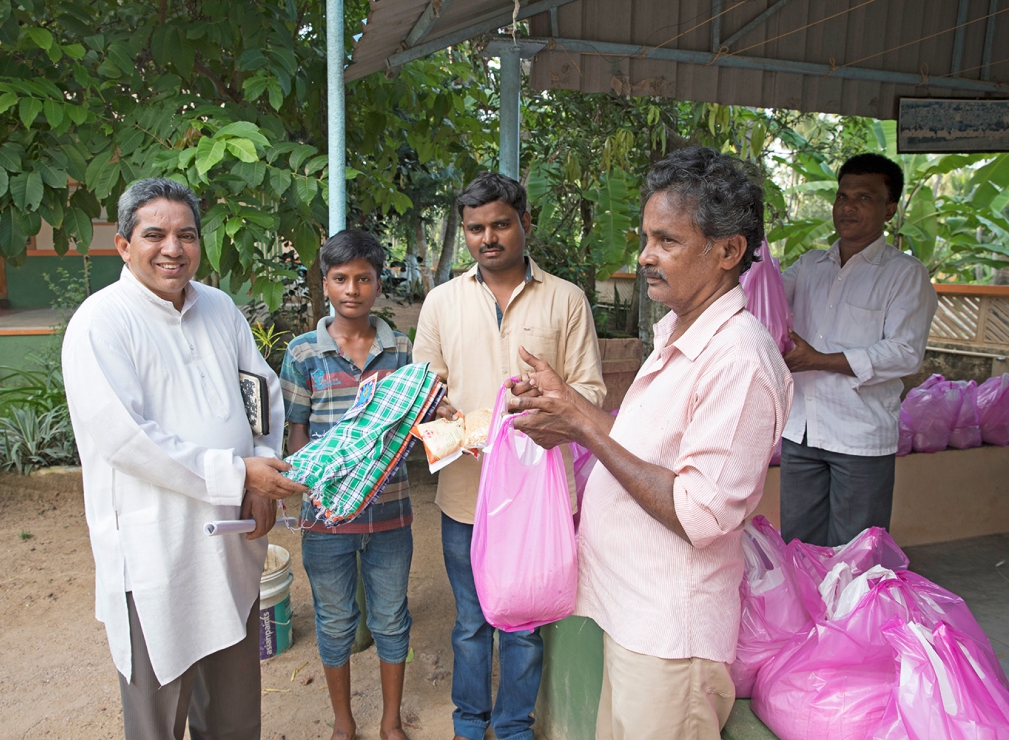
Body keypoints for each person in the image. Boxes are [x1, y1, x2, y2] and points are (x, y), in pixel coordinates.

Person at [508, 147, 792, 739]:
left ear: (728, 251)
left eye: (667, 241)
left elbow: (700, 513)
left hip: (671, 636)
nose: (644, 256)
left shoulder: (739, 360)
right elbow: (640, 446)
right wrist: (569, 405)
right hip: (635, 618)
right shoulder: (679, 332)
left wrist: (580, 424)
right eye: (645, 237)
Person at [62, 178, 304, 740]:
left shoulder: (219, 308)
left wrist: (259, 475)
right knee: (157, 721)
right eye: (155, 234)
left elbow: (258, 395)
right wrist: (237, 473)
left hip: (229, 542)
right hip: (157, 554)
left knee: (234, 714)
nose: (173, 248)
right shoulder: (101, 322)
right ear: (123, 246)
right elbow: (127, 440)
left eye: (186, 235)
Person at [412, 172, 606, 740]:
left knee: (523, 623)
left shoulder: (566, 299)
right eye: (475, 228)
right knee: (471, 622)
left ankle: (515, 725)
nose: (487, 237)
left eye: (500, 224)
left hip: (538, 500)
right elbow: (424, 389)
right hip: (465, 495)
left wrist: (545, 405)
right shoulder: (442, 301)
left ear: (526, 223)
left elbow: (591, 394)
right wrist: (442, 413)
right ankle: (470, 724)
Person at [279, 230, 414, 740]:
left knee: (391, 618)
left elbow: (410, 420)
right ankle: (343, 721)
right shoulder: (304, 352)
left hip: (390, 513)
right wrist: (307, 481)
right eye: (340, 278)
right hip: (325, 519)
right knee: (334, 621)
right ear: (325, 283)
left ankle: (391, 721)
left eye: (363, 278)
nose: (352, 289)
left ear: (379, 283)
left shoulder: (399, 347)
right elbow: (296, 428)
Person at [779, 153, 937, 547]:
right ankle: (807, 612)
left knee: (856, 558)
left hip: (859, 438)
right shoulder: (810, 265)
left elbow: (903, 353)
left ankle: (853, 613)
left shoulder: (904, 274)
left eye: (863, 198)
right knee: (799, 549)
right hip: (801, 432)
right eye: (842, 196)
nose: (847, 207)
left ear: (889, 208)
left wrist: (816, 360)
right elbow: (766, 300)